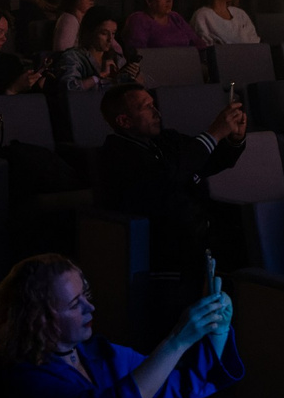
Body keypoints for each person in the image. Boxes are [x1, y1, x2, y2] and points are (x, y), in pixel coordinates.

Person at [0, 254, 240, 398]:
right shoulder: (27, 378)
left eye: (86, 295)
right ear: (39, 319)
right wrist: (177, 340)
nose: (90, 308)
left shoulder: (101, 354)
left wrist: (218, 328)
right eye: (76, 304)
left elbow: (186, 384)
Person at [94, 82, 247, 278]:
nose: (157, 112)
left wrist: (234, 139)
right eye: (147, 107)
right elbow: (170, 175)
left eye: (153, 104)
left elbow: (209, 160)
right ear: (124, 121)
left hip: (202, 234)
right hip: (167, 247)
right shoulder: (116, 155)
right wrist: (214, 133)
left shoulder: (165, 139)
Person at [125, 0, 201, 50]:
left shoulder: (175, 17)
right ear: (148, 0)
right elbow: (139, 52)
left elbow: (196, 42)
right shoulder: (139, 19)